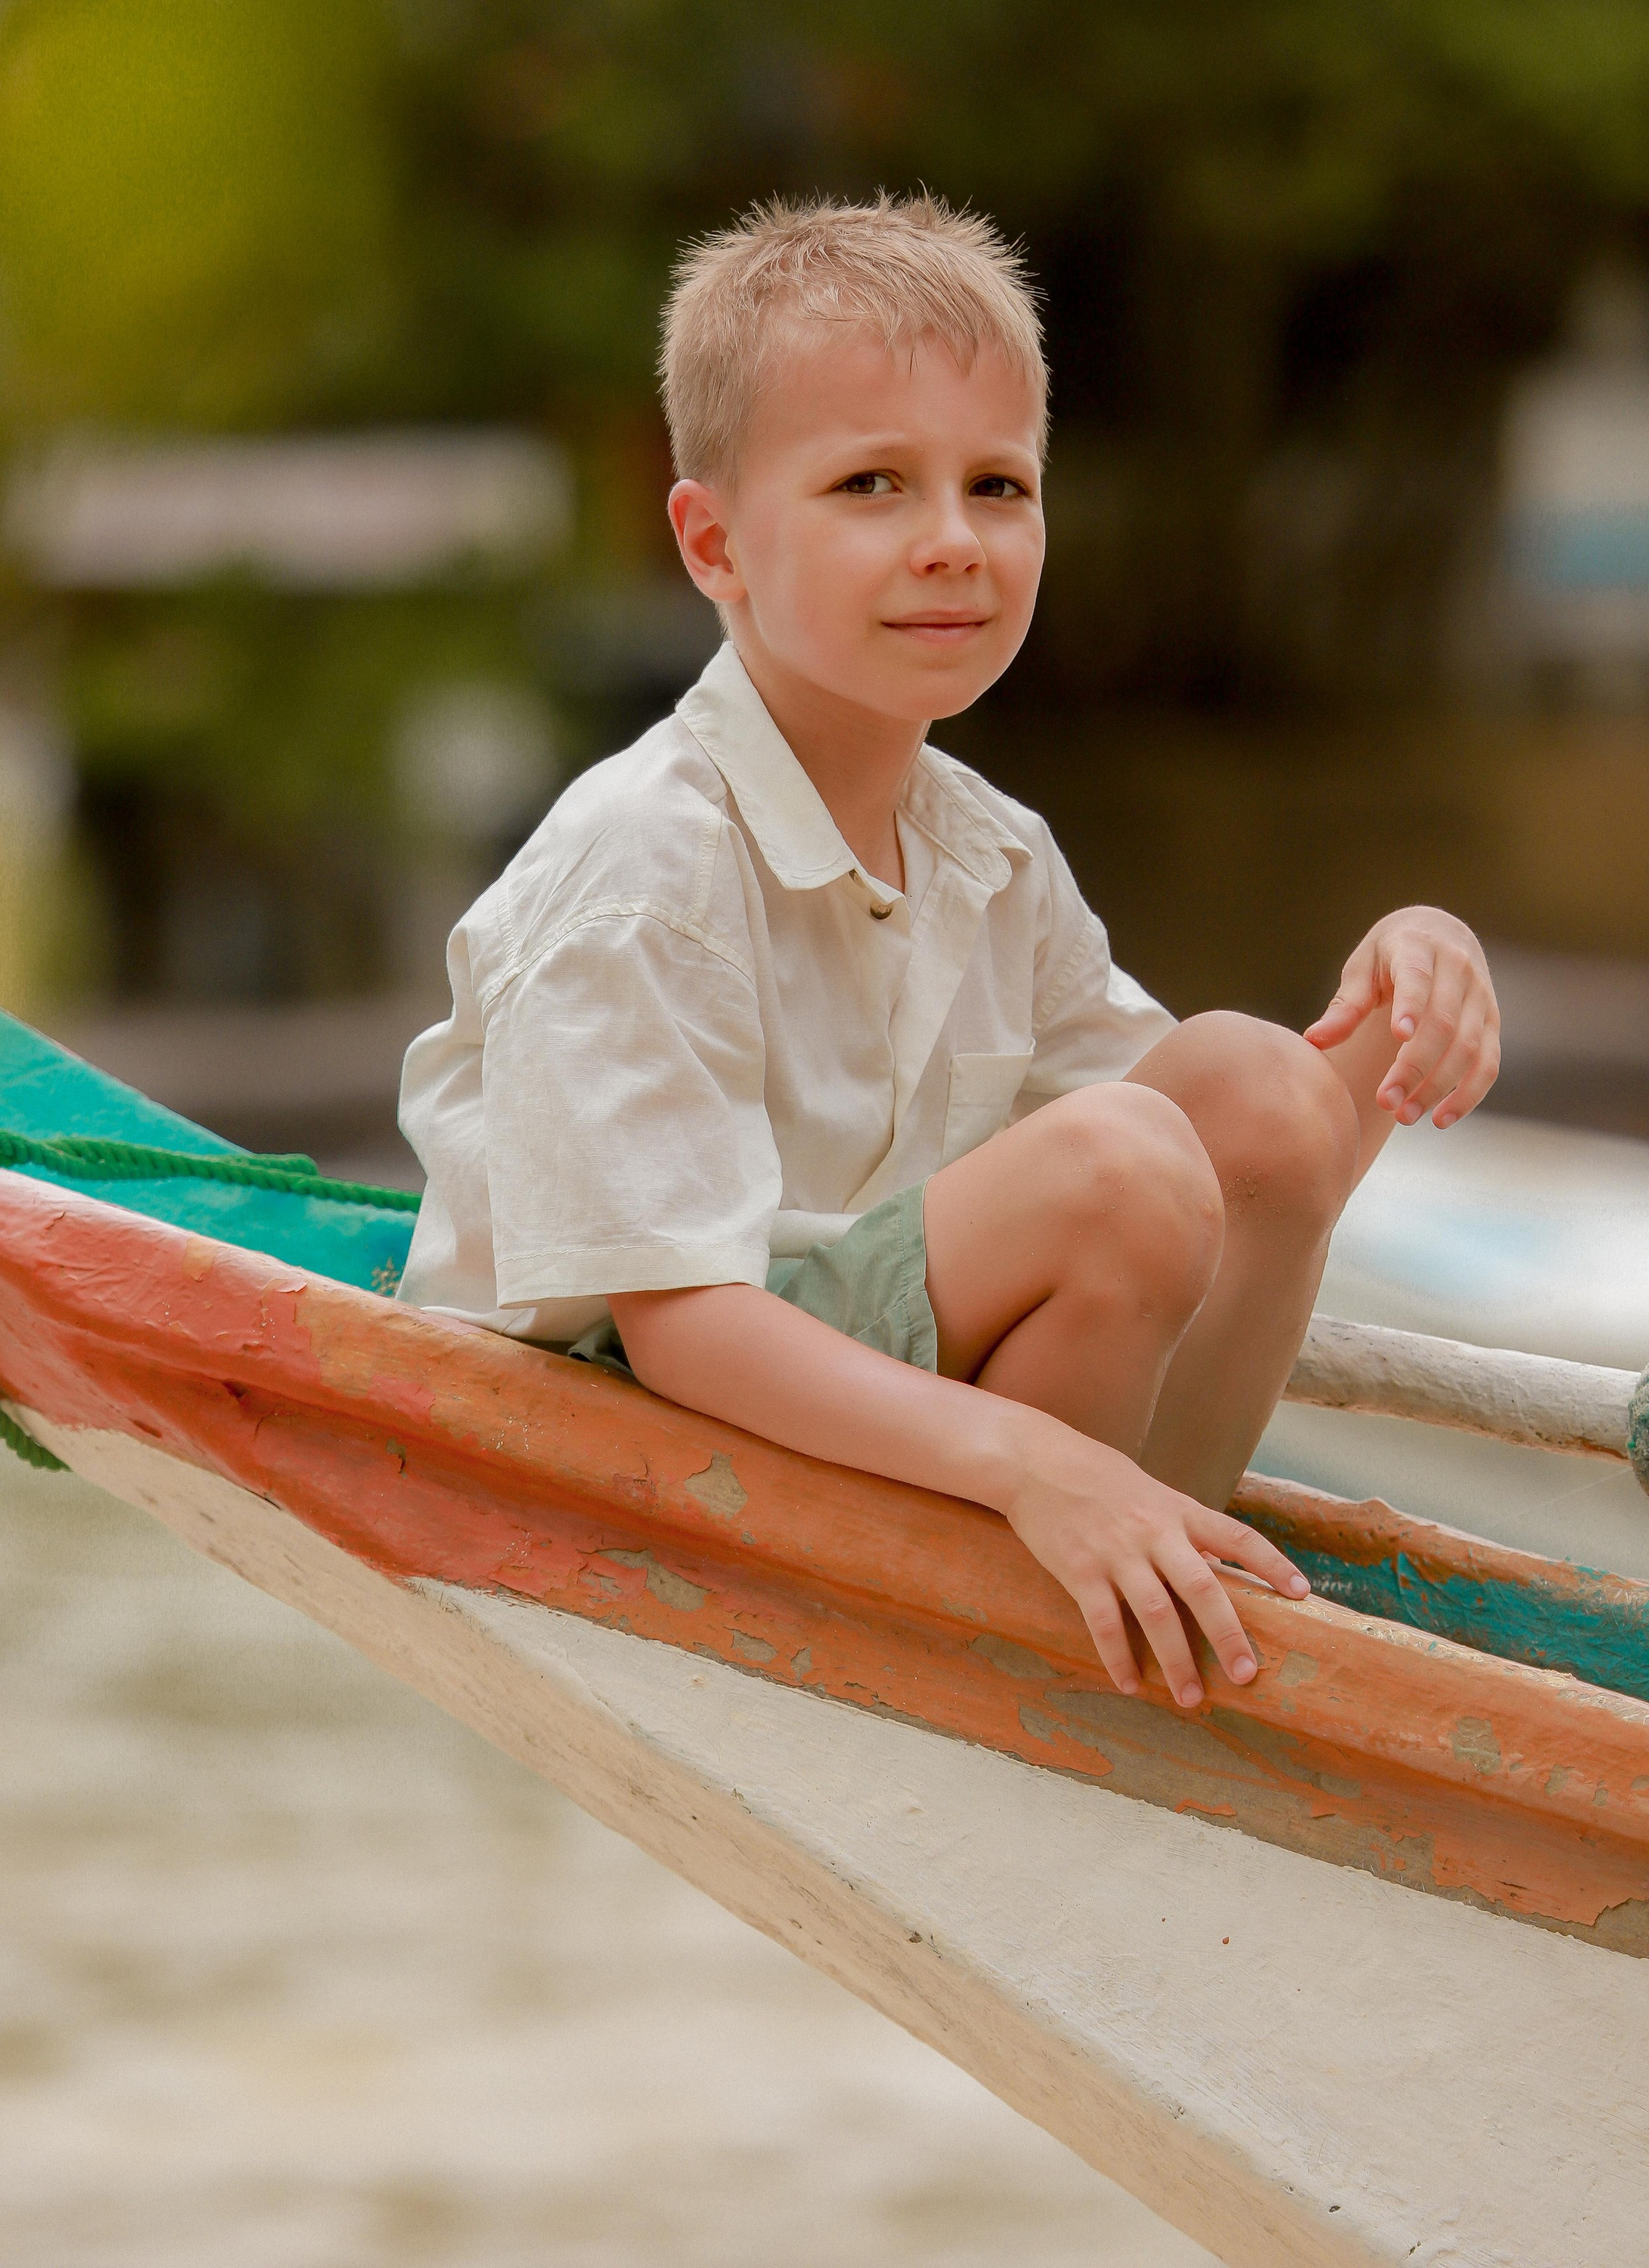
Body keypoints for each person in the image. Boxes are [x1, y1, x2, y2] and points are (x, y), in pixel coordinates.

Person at [397, 195, 1501, 1710]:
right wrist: (1028, 1459)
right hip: (635, 1443)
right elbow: (677, 1329)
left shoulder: (986, 851)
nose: (950, 545)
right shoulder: (642, 864)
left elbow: (1225, 1188)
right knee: (1120, 1163)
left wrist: (1394, 1007)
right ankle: (1017, 1631)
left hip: (895, 1415)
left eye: (996, 486)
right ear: (713, 543)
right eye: (870, 485)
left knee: (1248, 1083)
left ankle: (1162, 1570)